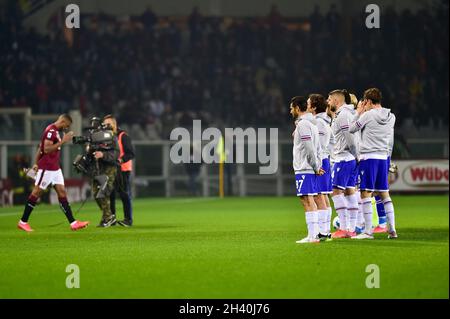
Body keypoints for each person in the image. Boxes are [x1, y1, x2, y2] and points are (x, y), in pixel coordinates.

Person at [17, 114, 89, 232]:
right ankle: (23, 221)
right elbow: (45, 149)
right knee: (37, 192)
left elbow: (40, 148)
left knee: (62, 192)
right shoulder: (51, 130)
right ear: (63, 121)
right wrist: (63, 141)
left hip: (55, 168)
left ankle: (73, 223)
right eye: (67, 125)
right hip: (46, 168)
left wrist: (35, 163)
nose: (67, 128)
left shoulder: (55, 131)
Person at [349, 88, 397, 239]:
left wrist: (359, 112)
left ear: (368, 101)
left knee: (365, 193)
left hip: (369, 157)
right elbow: (390, 139)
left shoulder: (367, 115)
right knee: (384, 194)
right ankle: (392, 230)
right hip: (383, 157)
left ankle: (368, 231)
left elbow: (351, 129)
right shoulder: (391, 116)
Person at [290, 96, 324, 244]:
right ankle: (314, 234)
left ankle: (313, 236)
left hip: (305, 168)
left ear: (298, 108)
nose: (290, 111)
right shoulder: (310, 124)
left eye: (292, 108)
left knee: (307, 200)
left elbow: (309, 148)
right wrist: (317, 164)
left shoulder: (303, 125)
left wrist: (315, 166)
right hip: (308, 167)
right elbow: (317, 147)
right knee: (309, 199)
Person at [327, 89, 359, 238]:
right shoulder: (346, 113)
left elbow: (350, 138)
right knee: (349, 190)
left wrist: (355, 155)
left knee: (336, 191)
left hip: (344, 158)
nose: (328, 102)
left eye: (329, 99)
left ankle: (345, 228)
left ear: (336, 100)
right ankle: (351, 228)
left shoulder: (343, 115)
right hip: (349, 158)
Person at [307, 94, 333, 240]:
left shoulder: (320, 123)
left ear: (314, 107)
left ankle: (323, 231)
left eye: (309, 103)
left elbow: (320, 145)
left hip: (321, 160)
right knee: (322, 195)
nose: (307, 105)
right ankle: (326, 230)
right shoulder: (320, 121)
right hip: (323, 160)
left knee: (319, 195)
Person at [103, 115, 135, 227]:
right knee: (109, 194)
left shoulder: (123, 135)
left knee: (124, 194)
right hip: (110, 169)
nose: (106, 126)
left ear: (114, 124)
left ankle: (128, 219)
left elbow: (131, 153)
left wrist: (120, 160)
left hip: (123, 169)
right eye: (104, 124)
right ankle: (111, 218)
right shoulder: (106, 137)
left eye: (108, 124)